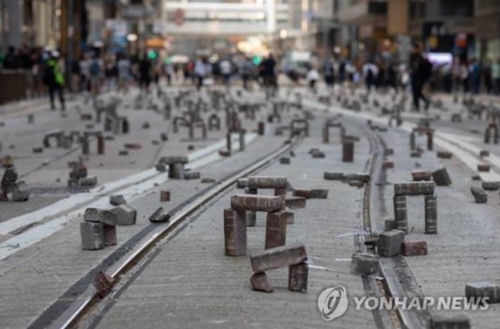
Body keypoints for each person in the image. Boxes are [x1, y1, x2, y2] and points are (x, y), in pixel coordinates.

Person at [409, 43, 431, 111]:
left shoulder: (421, 57)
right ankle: (417, 105)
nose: (414, 50)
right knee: (414, 91)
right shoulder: (412, 56)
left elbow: (426, 66)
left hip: (420, 77)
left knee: (417, 91)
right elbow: (411, 66)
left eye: (415, 48)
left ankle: (424, 101)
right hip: (414, 76)